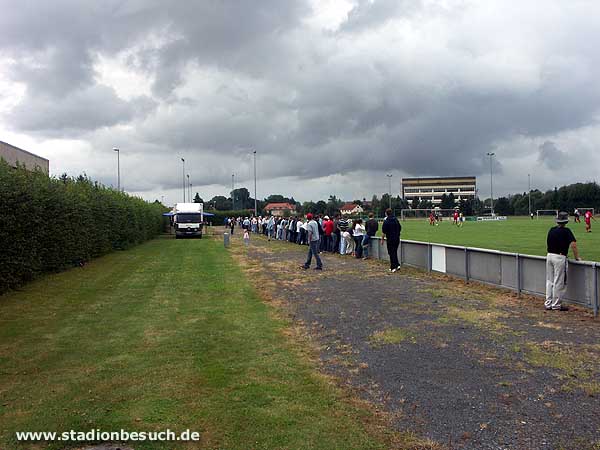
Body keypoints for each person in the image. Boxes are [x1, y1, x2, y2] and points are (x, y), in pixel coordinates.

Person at [545, 211, 581, 311]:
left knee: (549, 281)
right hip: (559, 257)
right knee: (559, 281)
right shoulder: (566, 231)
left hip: (549, 256)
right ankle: (556, 305)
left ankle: (548, 303)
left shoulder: (551, 230)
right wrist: (577, 257)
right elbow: (573, 244)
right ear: (566, 221)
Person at [381, 208, 401, 272]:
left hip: (390, 239)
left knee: (391, 253)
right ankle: (397, 265)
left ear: (386, 213)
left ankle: (393, 267)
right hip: (397, 238)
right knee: (394, 252)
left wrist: (382, 239)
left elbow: (383, 231)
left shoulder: (386, 221)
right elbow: (400, 228)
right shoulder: (396, 220)